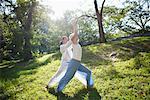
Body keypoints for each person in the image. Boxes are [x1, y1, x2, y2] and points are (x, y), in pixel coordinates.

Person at [56, 19, 94, 93]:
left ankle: (89, 86)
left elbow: (76, 35)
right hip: (74, 63)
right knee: (68, 77)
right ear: (72, 39)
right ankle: (58, 90)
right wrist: (74, 25)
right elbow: (75, 34)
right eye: (74, 37)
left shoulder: (77, 44)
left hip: (77, 63)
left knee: (88, 72)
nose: (76, 37)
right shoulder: (74, 43)